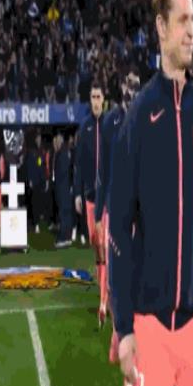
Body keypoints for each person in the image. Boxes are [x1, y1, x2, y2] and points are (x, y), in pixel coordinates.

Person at [109, 0, 193, 386]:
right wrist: (124, 327)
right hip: (148, 327)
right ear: (161, 27)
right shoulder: (138, 118)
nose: (192, 31)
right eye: (182, 21)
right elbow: (118, 227)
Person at [94, 65, 140, 362]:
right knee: (115, 276)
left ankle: (127, 335)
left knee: (135, 275)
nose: (132, 90)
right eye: (129, 84)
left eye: (136, 85)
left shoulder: (146, 118)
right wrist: (99, 213)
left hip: (140, 210)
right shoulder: (111, 121)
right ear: (122, 87)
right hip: (115, 208)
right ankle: (118, 334)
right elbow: (103, 170)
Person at [74, 80, 106, 327]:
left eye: (99, 97)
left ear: (104, 100)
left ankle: (105, 301)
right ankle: (105, 291)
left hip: (109, 199)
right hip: (89, 197)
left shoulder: (112, 125)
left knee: (105, 247)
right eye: (93, 97)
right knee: (96, 247)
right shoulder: (84, 128)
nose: (96, 101)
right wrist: (77, 193)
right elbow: (79, 164)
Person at [54, 132, 73, 248]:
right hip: (66, 188)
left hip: (63, 188)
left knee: (63, 213)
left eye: (56, 141)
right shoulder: (66, 152)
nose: (54, 144)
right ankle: (68, 237)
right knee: (66, 213)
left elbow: (61, 173)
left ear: (59, 141)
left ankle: (63, 238)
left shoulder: (62, 153)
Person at [26, 131, 46, 234]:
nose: (39, 140)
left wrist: (44, 179)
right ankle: (35, 223)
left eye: (40, 139)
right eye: (37, 139)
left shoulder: (41, 151)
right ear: (35, 140)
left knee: (38, 202)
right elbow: (30, 166)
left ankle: (37, 222)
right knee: (33, 203)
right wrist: (30, 179)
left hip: (40, 181)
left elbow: (41, 165)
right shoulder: (32, 151)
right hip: (34, 181)